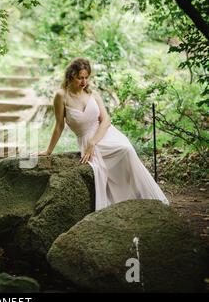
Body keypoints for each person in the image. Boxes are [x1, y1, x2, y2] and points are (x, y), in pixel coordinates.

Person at [35, 57, 169, 211]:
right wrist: (48, 151)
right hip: (85, 138)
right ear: (71, 76)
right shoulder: (61, 96)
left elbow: (106, 120)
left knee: (126, 149)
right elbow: (59, 126)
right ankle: (122, 200)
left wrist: (93, 142)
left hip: (104, 134)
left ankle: (141, 195)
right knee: (100, 169)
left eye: (86, 77)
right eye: (80, 78)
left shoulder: (93, 94)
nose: (84, 81)